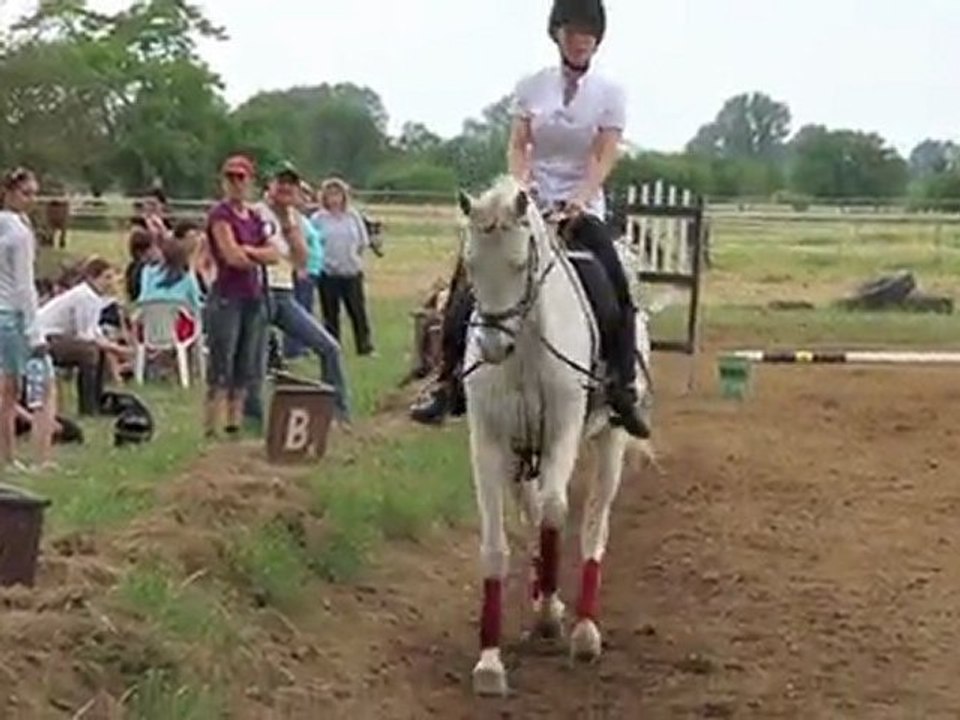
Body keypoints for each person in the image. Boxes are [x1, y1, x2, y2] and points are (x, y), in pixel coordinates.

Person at [410, 0, 650, 438]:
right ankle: (446, 380)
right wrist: (522, 187)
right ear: (557, 34)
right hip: (529, 205)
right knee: (471, 270)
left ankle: (623, 384)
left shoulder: (610, 93)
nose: (581, 41)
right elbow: (519, 145)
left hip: (582, 206)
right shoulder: (531, 87)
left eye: (589, 34)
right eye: (573, 32)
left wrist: (579, 199)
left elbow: (604, 154)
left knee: (614, 281)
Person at [245, 164, 352, 425]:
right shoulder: (254, 213)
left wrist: (287, 224)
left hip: (284, 293)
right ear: (269, 186)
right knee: (256, 360)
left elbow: (301, 260)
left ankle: (339, 413)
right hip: (258, 291)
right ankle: (253, 419)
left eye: (290, 184)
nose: (285, 188)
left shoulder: (294, 219)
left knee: (329, 348)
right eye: (280, 183)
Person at [203, 154, 276, 438]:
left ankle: (234, 423)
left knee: (244, 364)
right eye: (230, 178)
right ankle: (211, 425)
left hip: (252, 296)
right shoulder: (219, 215)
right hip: (226, 295)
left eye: (240, 178)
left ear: (250, 181)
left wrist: (250, 251)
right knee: (222, 360)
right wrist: (254, 252)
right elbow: (231, 256)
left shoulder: (255, 216)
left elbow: (275, 253)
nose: (235, 183)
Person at [0, 167, 55, 472]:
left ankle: (8, 458)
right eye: (25, 193)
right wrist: (35, 334)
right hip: (16, 315)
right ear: (8, 193)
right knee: (44, 387)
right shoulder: (19, 234)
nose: (31, 199)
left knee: (8, 390)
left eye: (34, 193)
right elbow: (24, 284)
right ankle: (41, 458)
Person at [37, 257, 131, 416]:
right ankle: (88, 407)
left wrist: (110, 346)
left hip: (57, 336)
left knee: (97, 350)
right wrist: (115, 348)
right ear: (92, 279)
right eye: (106, 277)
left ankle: (97, 400)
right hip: (45, 338)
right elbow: (84, 335)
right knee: (89, 352)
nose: (110, 282)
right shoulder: (85, 296)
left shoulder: (93, 297)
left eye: (111, 277)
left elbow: (94, 330)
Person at [312, 177, 375, 356]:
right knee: (330, 313)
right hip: (328, 273)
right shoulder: (318, 219)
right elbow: (313, 244)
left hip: (351, 271)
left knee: (357, 310)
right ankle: (333, 347)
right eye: (330, 194)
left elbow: (363, 241)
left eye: (337, 194)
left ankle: (365, 346)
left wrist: (354, 258)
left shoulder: (353, 216)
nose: (334, 198)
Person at [285, 182, 325, 359]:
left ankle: (301, 345)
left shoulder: (303, 218)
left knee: (306, 309)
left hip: (312, 269)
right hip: (302, 270)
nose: (307, 199)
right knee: (299, 310)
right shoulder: (291, 219)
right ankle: (293, 349)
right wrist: (299, 266)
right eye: (303, 195)